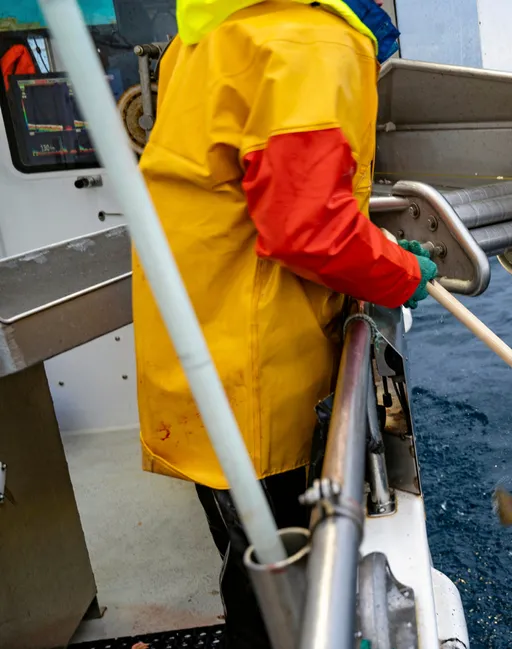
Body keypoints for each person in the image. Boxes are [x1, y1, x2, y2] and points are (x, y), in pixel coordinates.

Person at [130, 1, 435, 646]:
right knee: (278, 579)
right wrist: (403, 271)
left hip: (200, 349)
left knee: (244, 543)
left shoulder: (220, 30)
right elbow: (309, 229)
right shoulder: (308, 40)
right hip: (254, 373)